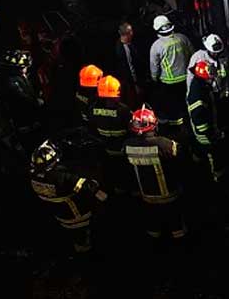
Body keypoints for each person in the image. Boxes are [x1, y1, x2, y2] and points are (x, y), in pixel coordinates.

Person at [29, 139, 108, 253]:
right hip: (76, 213)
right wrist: (98, 188)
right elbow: (87, 186)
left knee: (75, 235)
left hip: (58, 212)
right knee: (83, 234)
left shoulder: (33, 177)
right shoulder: (60, 177)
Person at [123, 106, 187, 240]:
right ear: (154, 125)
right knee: (177, 229)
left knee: (153, 228)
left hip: (147, 198)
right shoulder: (165, 144)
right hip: (170, 196)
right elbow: (182, 159)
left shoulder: (127, 146)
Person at [149, 15, 193, 137]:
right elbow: (192, 54)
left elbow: (154, 66)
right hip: (187, 79)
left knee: (173, 109)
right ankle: (188, 127)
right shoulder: (183, 38)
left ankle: (176, 132)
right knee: (186, 105)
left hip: (169, 83)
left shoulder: (156, 46)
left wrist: (154, 78)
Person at [0, 50, 44, 153]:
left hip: (27, 121)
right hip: (24, 122)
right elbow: (23, 100)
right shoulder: (10, 82)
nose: (26, 69)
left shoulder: (13, 78)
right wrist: (38, 103)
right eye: (24, 67)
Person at [90, 75, 132, 194]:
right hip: (122, 151)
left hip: (105, 150)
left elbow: (92, 127)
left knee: (110, 174)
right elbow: (132, 130)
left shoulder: (93, 108)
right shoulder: (124, 110)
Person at [186, 60, 221, 181]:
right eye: (210, 76)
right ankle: (216, 178)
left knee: (200, 151)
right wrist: (210, 134)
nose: (212, 78)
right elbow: (199, 119)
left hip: (202, 130)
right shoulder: (198, 93)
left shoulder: (199, 84)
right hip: (204, 134)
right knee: (213, 154)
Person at [113, 22, 146, 108]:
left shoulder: (126, 44)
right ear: (127, 34)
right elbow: (130, 68)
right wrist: (136, 84)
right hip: (129, 82)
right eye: (131, 31)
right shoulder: (123, 50)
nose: (132, 33)